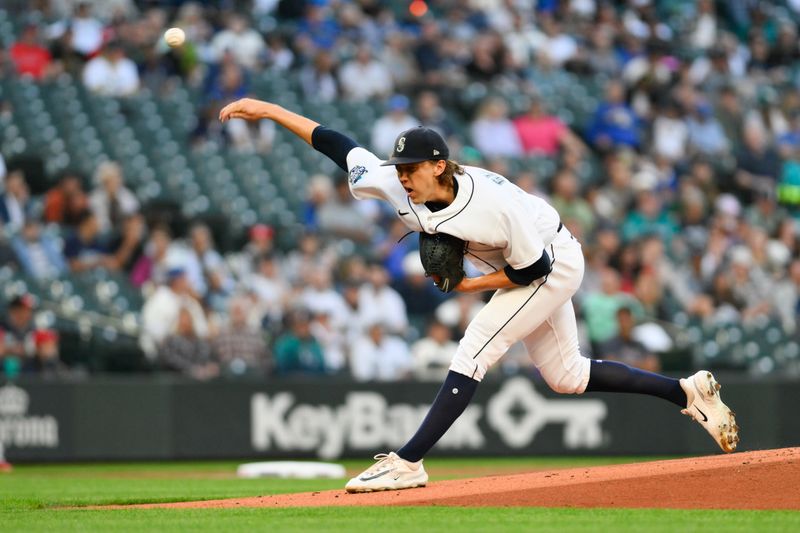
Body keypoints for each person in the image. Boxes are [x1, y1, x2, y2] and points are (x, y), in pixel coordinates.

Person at [219, 97, 739, 494]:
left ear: (439, 165)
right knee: (567, 376)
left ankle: (407, 462)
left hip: (550, 258)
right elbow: (333, 141)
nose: (403, 177)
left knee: (476, 346)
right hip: (518, 260)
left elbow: (532, 268)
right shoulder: (395, 182)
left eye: (413, 169)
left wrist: (467, 286)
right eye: (399, 169)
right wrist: (265, 110)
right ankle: (687, 392)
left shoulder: (489, 206)